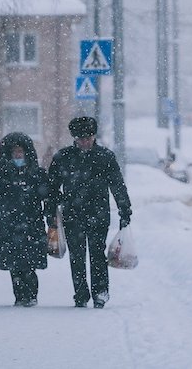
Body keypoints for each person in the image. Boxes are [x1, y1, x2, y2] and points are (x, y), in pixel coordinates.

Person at [48, 116, 132, 309]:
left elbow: (117, 185)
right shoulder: (63, 157)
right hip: (73, 214)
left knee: (97, 254)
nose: (85, 142)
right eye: (81, 138)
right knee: (77, 255)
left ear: (94, 136)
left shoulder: (105, 157)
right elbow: (52, 187)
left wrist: (124, 209)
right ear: (74, 138)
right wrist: (51, 210)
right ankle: (80, 293)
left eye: (88, 138)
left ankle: (100, 292)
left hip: (98, 214)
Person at [0, 132, 54, 307]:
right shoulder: (2, 174)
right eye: (15, 152)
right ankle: (19, 295)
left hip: (31, 224)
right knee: (14, 264)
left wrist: (50, 218)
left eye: (21, 151)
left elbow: (47, 196)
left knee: (29, 263)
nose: (18, 155)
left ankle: (31, 294)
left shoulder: (36, 174)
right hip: (9, 224)